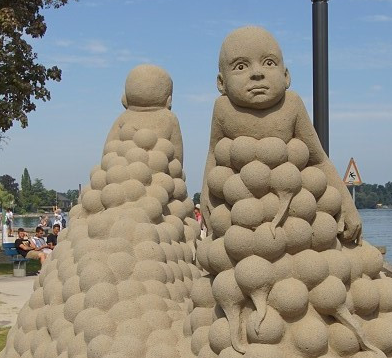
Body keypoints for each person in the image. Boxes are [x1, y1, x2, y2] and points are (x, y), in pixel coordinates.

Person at [201, 26, 362, 243]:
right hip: (241, 213)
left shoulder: (292, 104)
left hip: (296, 212)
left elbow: (319, 159)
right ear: (221, 83)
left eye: (269, 63)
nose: (257, 73)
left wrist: (346, 203)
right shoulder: (223, 109)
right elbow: (213, 155)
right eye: (240, 66)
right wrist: (205, 195)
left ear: (286, 76)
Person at [104, 63, 183, 163]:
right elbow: (177, 156)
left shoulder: (123, 118)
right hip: (161, 170)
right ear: (169, 100)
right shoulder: (170, 118)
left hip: (119, 170)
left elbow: (107, 151)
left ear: (124, 99)